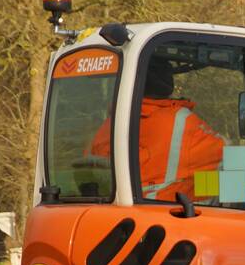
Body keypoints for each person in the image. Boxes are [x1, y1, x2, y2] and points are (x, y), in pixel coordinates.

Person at [89, 57, 223, 201]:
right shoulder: (183, 122)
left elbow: (89, 175)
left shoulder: (111, 124)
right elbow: (232, 172)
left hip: (111, 211)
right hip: (170, 212)